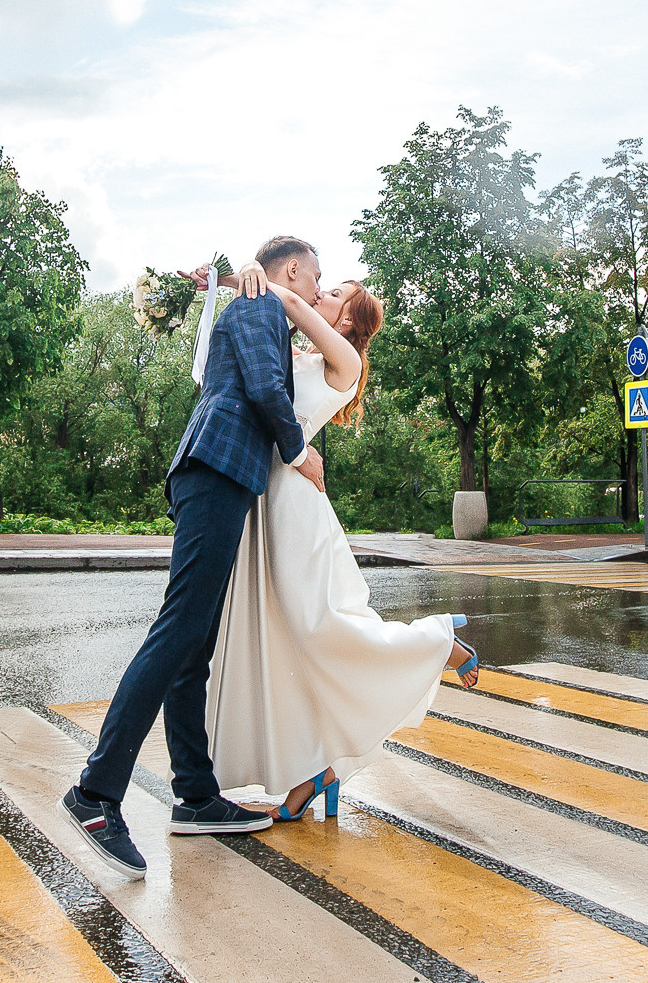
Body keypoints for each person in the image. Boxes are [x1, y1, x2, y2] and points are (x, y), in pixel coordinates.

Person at [62, 236, 330, 879]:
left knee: (193, 646)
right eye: (316, 278)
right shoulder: (262, 303)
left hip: (212, 473)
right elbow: (267, 390)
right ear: (290, 270)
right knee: (179, 631)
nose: (319, 291)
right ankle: (96, 795)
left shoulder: (250, 300)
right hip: (217, 469)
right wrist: (298, 451)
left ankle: (196, 796)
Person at [204, 270, 477, 823]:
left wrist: (225, 275)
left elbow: (282, 296)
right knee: (285, 642)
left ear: (346, 319)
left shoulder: (344, 365)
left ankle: (436, 644)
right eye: (320, 290)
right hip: (266, 503)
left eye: (329, 295)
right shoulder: (297, 355)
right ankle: (315, 772)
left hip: (297, 510)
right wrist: (213, 285)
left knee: (316, 627)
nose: (317, 297)